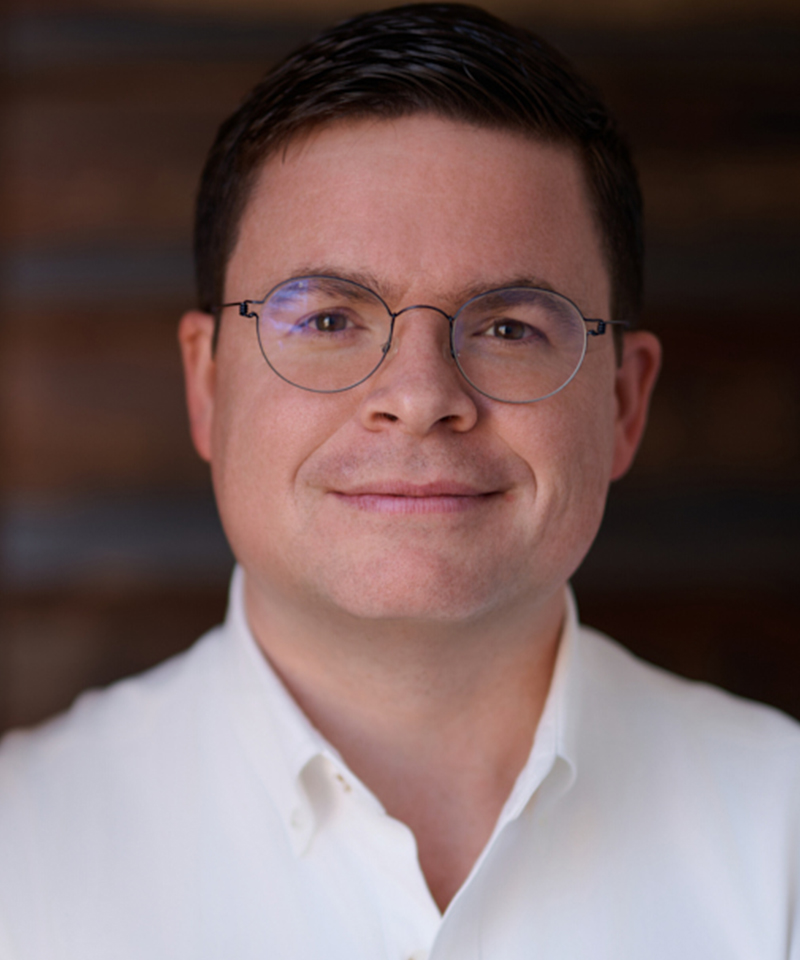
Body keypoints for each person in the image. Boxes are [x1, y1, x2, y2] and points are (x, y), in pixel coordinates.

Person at [1, 4, 798, 958]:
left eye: (509, 327)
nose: (419, 397)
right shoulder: (24, 851)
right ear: (207, 384)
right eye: (329, 319)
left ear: (625, 404)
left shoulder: (781, 833)